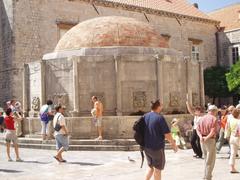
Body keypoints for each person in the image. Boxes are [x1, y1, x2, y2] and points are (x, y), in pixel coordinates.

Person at [144, 100, 178, 180]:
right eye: (161, 105)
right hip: (157, 148)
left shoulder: (145, 116)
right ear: (158, 106)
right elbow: (167, 134)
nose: (162, 107)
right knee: (158, 169)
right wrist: (173, 144)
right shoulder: (159, 118)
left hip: (147, 147)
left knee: (150, 167)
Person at [197, 105, 218, 180]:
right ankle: (208, 177)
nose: (216, 113)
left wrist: (201, 137)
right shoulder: (214, 119)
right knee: (210, 160)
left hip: (202, 140)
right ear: (214, 111)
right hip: (209, 140)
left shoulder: (202, 118)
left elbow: (197, 129)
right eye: (216, 111)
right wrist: (207, 137)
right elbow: (213, 131)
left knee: (206, 159)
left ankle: (205, 175)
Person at [225, 108, 240, 173]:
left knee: (233, 153)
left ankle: (232, 168)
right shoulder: (239, 121)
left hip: (232, 138)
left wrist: (227, 136)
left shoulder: (230, 120)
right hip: (238, 138)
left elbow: (227, 129)